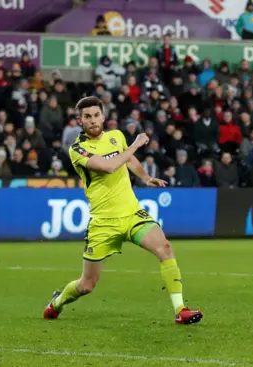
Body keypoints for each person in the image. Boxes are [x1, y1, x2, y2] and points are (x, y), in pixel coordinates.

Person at [43, 96, 203, 325]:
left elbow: (128, 160)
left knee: (165, 248)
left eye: (96, 115)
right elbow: (109, 166)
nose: (93, 120)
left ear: (103, 116)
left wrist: (146, 177)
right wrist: (136, 143)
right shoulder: (77, 149)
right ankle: (57, 303)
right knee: (87, 285)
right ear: (80, 120)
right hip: (103, 222)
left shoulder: (116, 136)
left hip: (131, 213)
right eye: (87, 117)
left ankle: (181, 309)